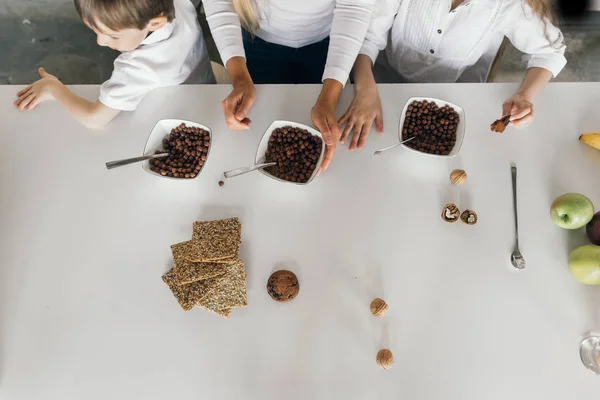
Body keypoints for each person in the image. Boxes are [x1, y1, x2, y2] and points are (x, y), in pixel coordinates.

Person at [340, 0, 567, 151]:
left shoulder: (511, 4)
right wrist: (365, 89)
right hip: (376, 86)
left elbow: (549, 51)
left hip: (457, 96)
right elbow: (367, 36)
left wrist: (524, 95)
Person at [203, 0, 375, 171]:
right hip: (257, 37)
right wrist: (240, 77)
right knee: (258, 125)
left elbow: (355, 6)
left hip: (328, 41)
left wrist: (328, 100)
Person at [13, 0, 215, 129]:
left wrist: (53, 88)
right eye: (95, 30)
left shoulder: (137, 69)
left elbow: (94, 118)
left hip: (167, 118)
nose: (100, 42)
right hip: (204, 84)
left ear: (155, 24)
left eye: (112, 35)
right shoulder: (178, 4)